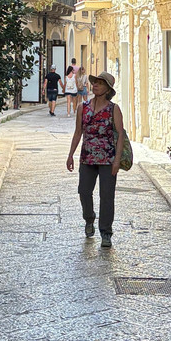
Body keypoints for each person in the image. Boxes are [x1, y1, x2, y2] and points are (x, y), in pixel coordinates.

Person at [66, 71, 124, 248]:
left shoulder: (113, 109)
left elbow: (120, 135)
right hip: (87, 158)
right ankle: (89, 218)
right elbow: (78, 132)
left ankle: (106, 232)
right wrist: (70, 155)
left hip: (108, 159)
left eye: (100, 83)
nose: (96, 85)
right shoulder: (83, 107)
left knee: (107, 196)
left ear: (108, 89)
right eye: (95, 82)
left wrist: (117, 161)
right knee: (84, 191)